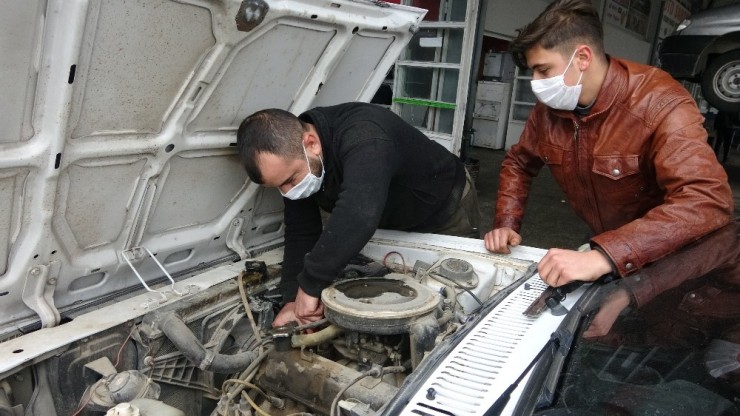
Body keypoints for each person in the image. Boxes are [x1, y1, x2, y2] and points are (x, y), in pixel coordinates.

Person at [484, 0, 734, 288]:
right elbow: (519, 162)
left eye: (543, 70)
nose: (536, 83)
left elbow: (707, 199)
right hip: (612, 246)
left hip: (679, 256)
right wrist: (506, 223)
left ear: (582, 58)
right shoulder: (550, 111)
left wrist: (605, 255)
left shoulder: (659, 102)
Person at [237, 102, 479, 326]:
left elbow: (360, 213)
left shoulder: (365, 135)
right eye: (279, 187)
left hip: (443, 209)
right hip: (387, 215)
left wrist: (310, 286)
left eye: (290, 180)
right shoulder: (297, 157)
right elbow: (301, 231)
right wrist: (292, 298)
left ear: (311, 143)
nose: (288, 192)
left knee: (459, 295)